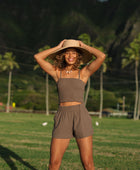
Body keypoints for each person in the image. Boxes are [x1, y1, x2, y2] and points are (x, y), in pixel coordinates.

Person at [34, 39, 106, 170]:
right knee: (53, 163)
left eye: (74, 53)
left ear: (78, 56)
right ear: (62, 55)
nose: (70, 56)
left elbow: (101, 56)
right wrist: (57, 47)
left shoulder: (83, 73)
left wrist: (83, 46)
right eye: (67, 53)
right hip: (62, 116)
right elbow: (38, 57)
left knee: (88, 163)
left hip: (80, 115)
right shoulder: (57, 73)